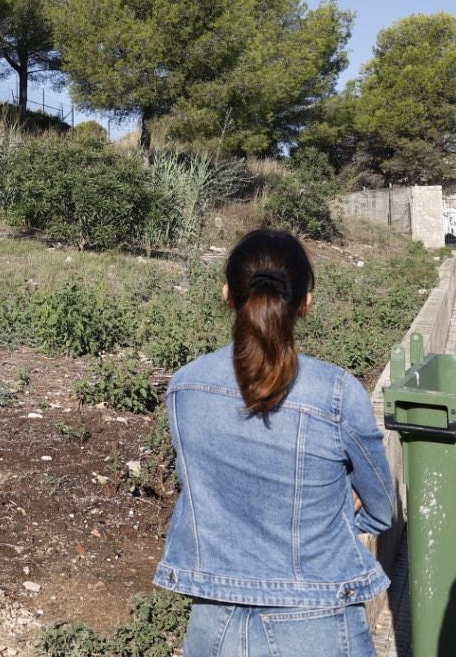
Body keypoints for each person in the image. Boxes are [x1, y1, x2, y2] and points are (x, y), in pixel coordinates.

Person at [153, 229, 393, 656]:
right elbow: (380, 508)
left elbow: (201, 490)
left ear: (228, 294)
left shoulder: (185, 387)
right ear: (306, 303)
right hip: (317, 619)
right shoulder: (336, 393)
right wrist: (331, 513)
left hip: (214, 621)